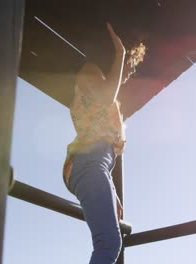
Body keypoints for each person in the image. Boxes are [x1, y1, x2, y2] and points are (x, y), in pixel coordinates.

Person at [62, 23, 145, 264]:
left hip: (96, 165)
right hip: (88, 163)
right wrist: (120, 54)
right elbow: (108, 94)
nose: (129, 70)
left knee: (110, 241)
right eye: (130, 61)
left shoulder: (100, 88)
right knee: (109, 243)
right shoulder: (88, 71)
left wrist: (109, 187)